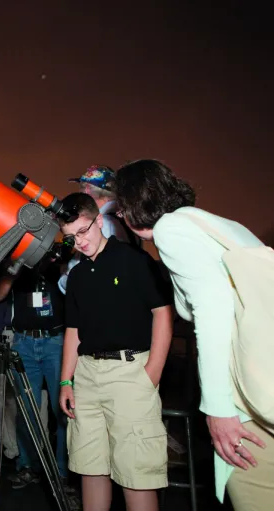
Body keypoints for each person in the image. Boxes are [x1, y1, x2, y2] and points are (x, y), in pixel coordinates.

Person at [114, 159, 273, 510]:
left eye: (122, 208)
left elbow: (212, 311)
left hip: (254, 395)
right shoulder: (218, 225)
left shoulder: (172, 229)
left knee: (254, 492)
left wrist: (219, 409)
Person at [58, 192, 173, 511]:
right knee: (89, 468)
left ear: (99, 221)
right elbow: (73, 330)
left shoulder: (132, 260)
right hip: (87, 378)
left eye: (83, 231)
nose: (79, 242)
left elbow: (162, 312)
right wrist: (66, 381)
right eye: (71, 237)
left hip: (131, 373)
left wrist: (152, 374)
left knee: (136, 475)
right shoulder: (77, 275)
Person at [0, 255, 75, 498]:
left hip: (55, 342)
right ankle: (28, 466)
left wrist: (61, 266)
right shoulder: (17, 268)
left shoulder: (61, 265)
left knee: (62, 411)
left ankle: (61, 472)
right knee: (26, 410)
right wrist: (14, 271)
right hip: (24, 343)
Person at [59, 165, 138, 294]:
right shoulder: (126, 220)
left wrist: (63, 273)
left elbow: (75, 281)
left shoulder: (102, 224)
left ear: (87, 190)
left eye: (81, 188)